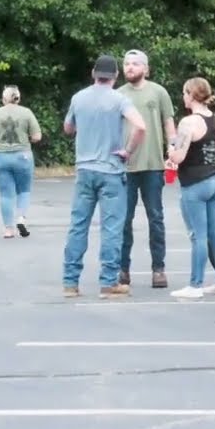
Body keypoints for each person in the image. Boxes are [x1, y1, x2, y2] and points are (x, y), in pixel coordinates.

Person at [61, 54, 147, 300]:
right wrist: (128, 151)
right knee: (111, 228)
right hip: (111, 170)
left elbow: (68, 128)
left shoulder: (78, 98)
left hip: (84, 169)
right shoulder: (119, 99)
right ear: (116, 76)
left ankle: (70, 282)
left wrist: (84, 125)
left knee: (78, 226)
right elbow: (140, 126)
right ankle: (108, 283)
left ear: (93, 74)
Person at [116, 49, 178, 290]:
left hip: (152, 165)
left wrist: (172, 152)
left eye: (135, 64)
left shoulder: (158, 92)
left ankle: (158, 269)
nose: (130, 68)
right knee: (124, 220)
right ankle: (123, 269)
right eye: (127, 64)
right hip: (126, 167)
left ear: (146, 68)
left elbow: (169, 125)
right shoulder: (118, 95)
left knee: (156, 218)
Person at [167, 77, 215, 299]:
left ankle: (195, 285)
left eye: (184, 93)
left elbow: (179, 156)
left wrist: (170, 149)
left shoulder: (188, 123)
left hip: (195, 183)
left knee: (198, 235)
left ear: (191, 94)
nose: (183, 97)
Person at [0, 85, 42, 239]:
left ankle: (8, 229)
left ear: (3, 99)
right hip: (23, 156)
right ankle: (21, 218)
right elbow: (37, 137)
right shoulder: (27, 113)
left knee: (6, 195)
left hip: (1, 157)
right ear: (18, 98)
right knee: (24, 191)